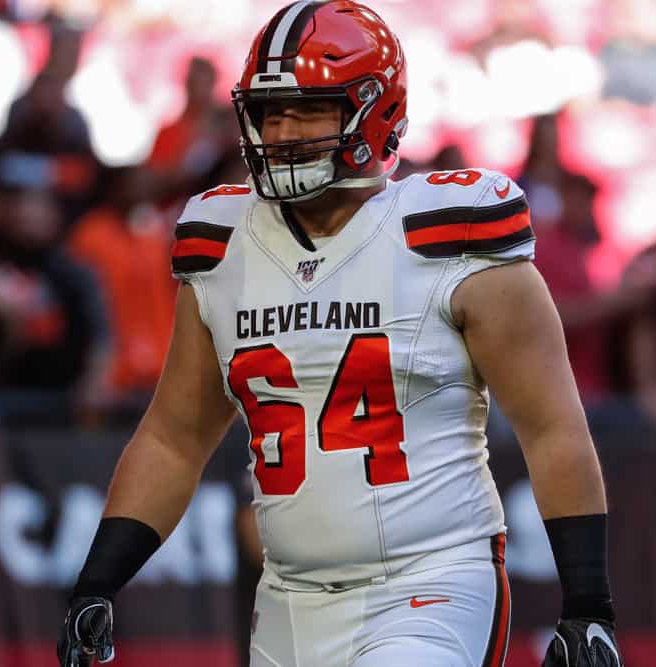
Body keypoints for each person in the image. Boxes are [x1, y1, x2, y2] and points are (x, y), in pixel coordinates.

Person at [58, 3, 623, 666]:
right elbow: (175, 436)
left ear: (373, 112)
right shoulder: (221, 243)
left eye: (308, 109)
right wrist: (97, 581)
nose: (283, 130)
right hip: (290, 599)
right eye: (271, 112)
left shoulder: (449, 233)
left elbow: (552, 425)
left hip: (431, 583)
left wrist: (589, 604)